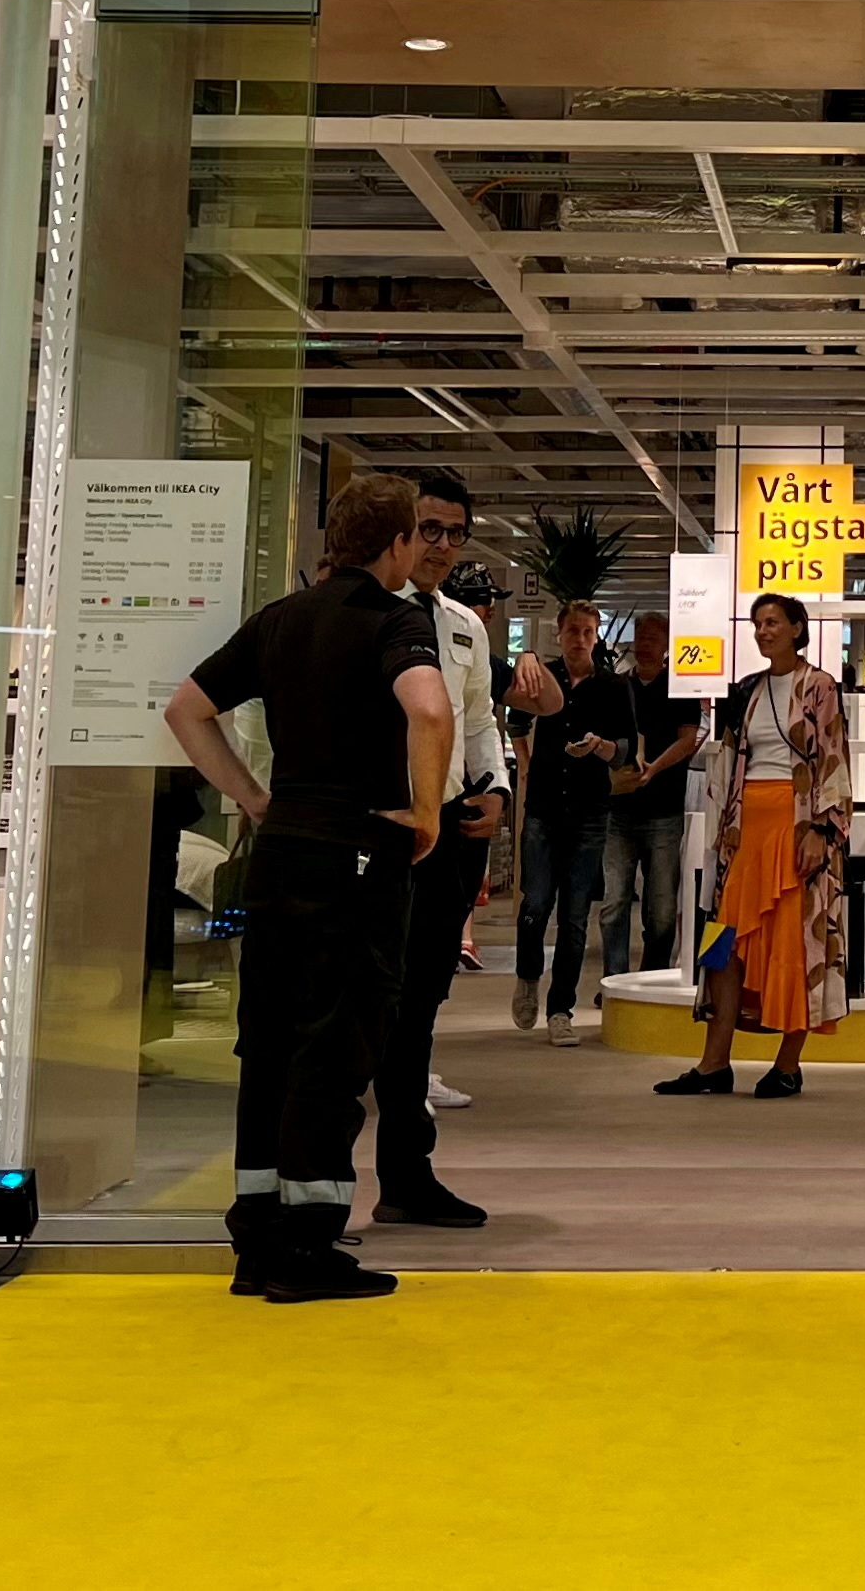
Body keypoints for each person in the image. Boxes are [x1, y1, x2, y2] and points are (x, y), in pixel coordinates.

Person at [161, 473, 449, 1304]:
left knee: (271, 1041)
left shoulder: (279, 620)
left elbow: (185, 709)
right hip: (355, 854)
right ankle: (308, 1245)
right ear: (395, 544)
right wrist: (424, 810)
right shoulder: (393, 619)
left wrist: (253, 796)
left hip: (281, 848)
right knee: (337, 1040)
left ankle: (257, 1236)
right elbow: (428, 710)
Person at [368, 468, 507, 1231]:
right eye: (429, 529)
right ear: (397, 527)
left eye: (456, 532)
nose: (443, 546)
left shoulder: (461, 624)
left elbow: (478, 719)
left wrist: (496, 790)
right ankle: (308, 1185)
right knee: (364, 1005)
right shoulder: (360, 614)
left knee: (419, 1006)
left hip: (447, 832)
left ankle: (405, 1173)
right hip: (374, 829)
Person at [653, 591, 849, 1098]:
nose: (764, 631)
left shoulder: (821, 687)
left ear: (797, 628)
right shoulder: (745, 691)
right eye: (759, 623)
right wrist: (721, 839)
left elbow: (832, 758)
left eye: (774, 622)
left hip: (798, 825)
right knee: (723, 943)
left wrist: (822, 831)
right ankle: (713, 1063)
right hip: (743, 831)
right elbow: (726, 760)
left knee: (796, 943)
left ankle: (788, 1063)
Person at [511, 599, 625, 1043]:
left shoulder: (612, 688)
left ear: (596, 637)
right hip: (543, 807)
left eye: (588, 632)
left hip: (590, 812)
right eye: (573, 631)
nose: (580, 640)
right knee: (535, 903)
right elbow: (515, 722)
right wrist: (525, 764)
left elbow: (625, 752)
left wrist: (599, 746)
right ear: (559, 633)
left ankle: (561, 1010)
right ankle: (526, 978)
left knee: (575, 916)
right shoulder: (543, 679)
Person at [597, 610, 702, 977]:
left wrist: (654, 768)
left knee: (660, 907)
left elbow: (689, 739)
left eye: (653, 640)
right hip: (618, 811)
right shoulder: (617, 687)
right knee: (614, 902)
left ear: (665, 645)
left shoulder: (679, 688)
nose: (644, 646)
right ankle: (615, 979)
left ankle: (652, 976)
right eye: (640, 638)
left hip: (664, 812)